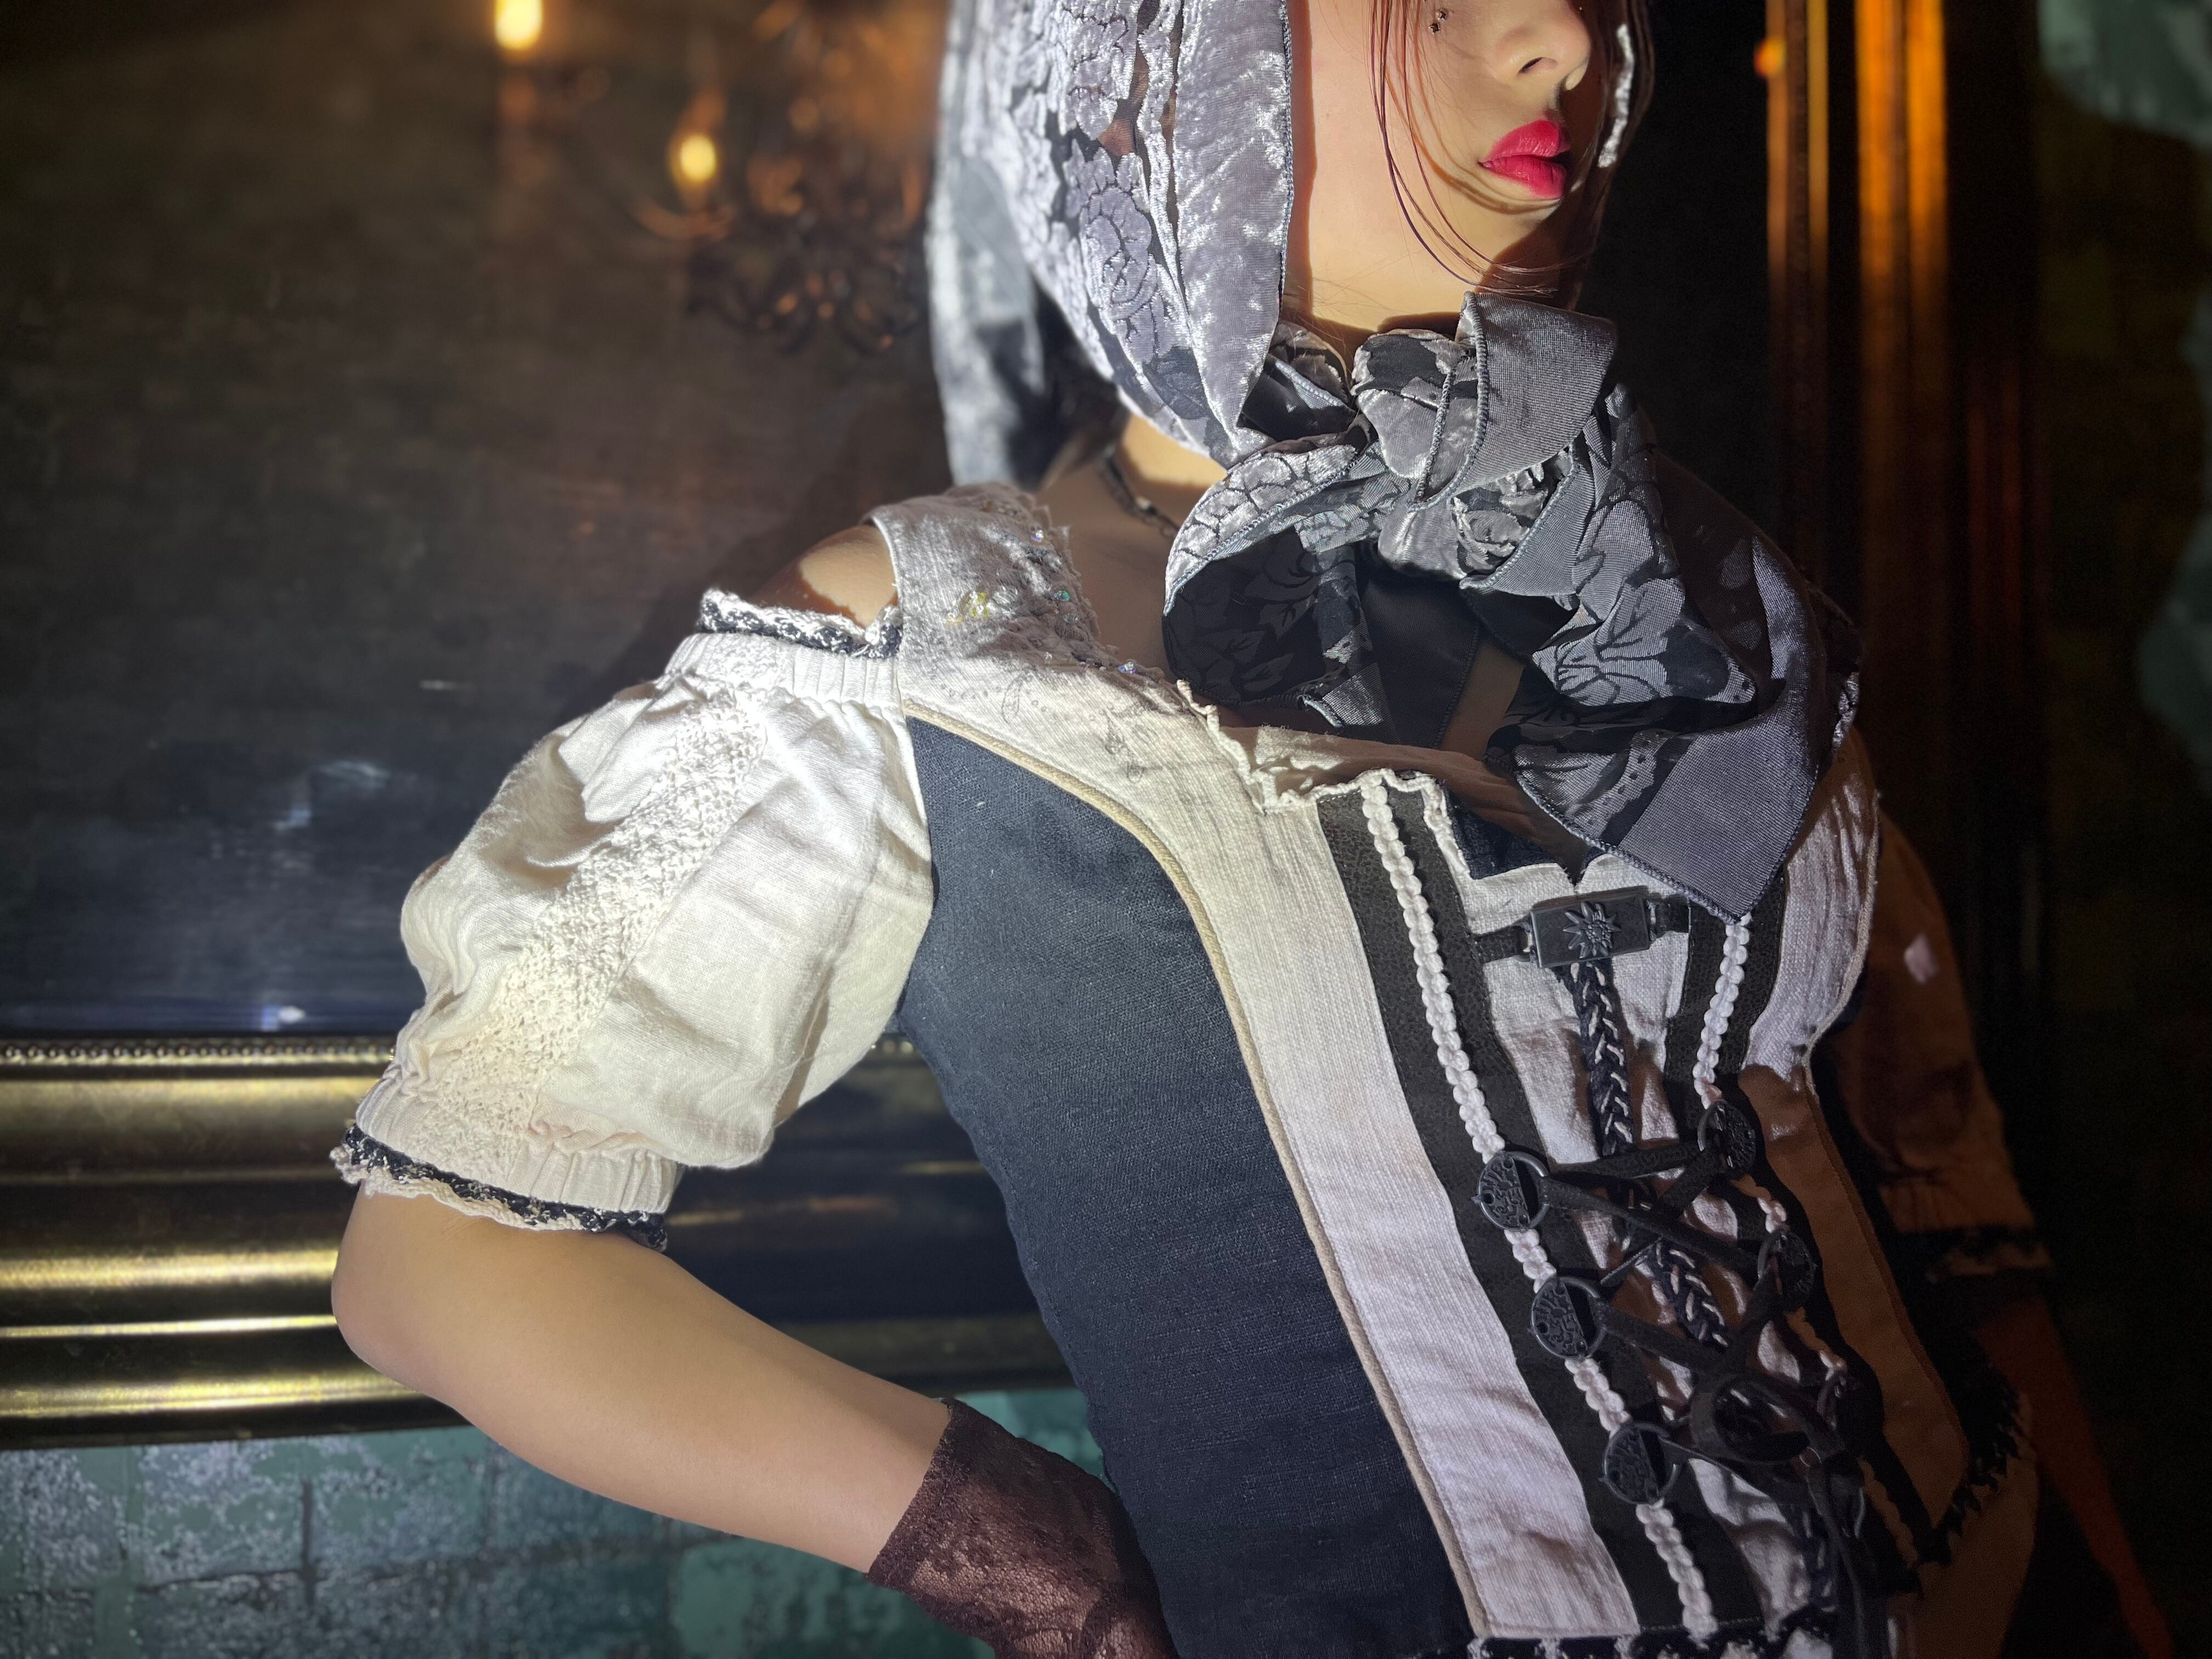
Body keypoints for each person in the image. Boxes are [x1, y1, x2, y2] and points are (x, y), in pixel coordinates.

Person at [329, 0, 2168, 1654]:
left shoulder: (1685, 594)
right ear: (1153, 66)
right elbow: (447, 1263)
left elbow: (1959, 1235)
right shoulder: (939, 646)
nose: (1566, 40)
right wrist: (1042, 1568)